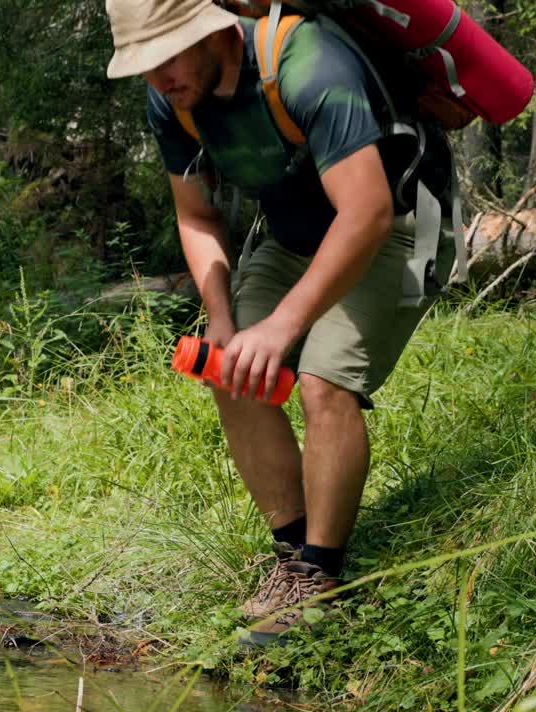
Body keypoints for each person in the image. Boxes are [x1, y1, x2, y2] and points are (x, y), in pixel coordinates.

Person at [105, 0, 457, 646]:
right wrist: (222, 317)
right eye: (144, 66)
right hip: (296, 239)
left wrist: (285, 324)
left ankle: (322, 579)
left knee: (324, 380)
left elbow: (368, 213)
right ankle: (292, 557)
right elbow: (197, 218)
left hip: (397, 229)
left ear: (212, 29)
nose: (157, 79)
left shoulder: (308, 65)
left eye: (168, 55)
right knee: (229, 367)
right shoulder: (173, 99)